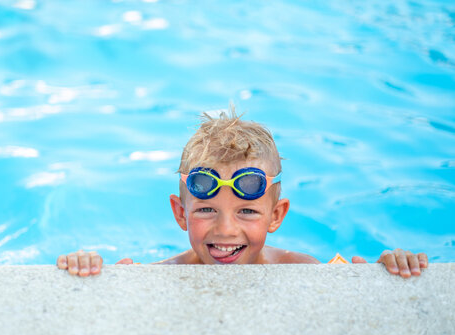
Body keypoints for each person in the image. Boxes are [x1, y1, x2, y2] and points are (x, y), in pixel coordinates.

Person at [57, 106, 428, 278]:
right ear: (180, 212)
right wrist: (88, 268)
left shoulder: (302, 271)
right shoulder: (158, 277)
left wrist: (389, 269)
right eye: (206, 210)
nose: (226, 230)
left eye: (247, 211)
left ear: (277, 215)